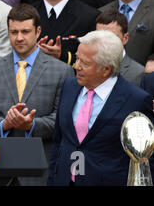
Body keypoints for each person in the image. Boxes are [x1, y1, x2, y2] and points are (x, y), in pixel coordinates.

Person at [0, 3, 74, 186]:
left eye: (25, 31)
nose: (19, 38)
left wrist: (31, 125)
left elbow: (63, 120)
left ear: (38, 32)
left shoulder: (62, 71)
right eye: (14, 32)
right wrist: (4, 124)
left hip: (41, 170)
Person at [48, 30, 154, 186]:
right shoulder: (69, 86)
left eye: (85, 63)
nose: (77, 66)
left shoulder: (136, 100)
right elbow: (59, 141)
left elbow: (146, 158)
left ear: (106, 69)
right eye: (77, 59)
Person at [95, 11, 145, 86]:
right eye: (99, 36)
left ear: (125, 38)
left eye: (110, 37)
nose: (104, 41)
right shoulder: (86, 66)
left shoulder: (138, 73)